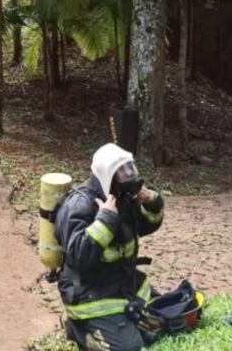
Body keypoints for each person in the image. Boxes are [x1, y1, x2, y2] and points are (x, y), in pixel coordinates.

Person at [55, 143, 165, 351]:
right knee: (131, 348)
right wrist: (105, 219)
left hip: (124, 284)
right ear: (108, 175)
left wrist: (151, 201)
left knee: (164, 321)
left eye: (130, 168)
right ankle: (78, 330)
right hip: (91, 295)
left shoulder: (123, 198)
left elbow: (146, 225)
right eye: (122, 171)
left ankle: (121, 324)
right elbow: (79, 255)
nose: (129, 174)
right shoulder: (80, 205)